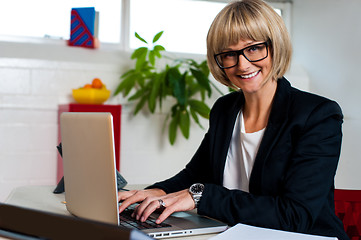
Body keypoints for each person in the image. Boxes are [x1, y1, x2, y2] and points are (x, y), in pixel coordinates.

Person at [118, 0, 349, 239]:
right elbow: (194, 175)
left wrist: (202, 196)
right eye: (229, 54)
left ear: (275, 46)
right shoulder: (225, 109)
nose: (242, 64)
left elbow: (294, 215)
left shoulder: (318, 115)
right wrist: (157, 191)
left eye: (254, 48)